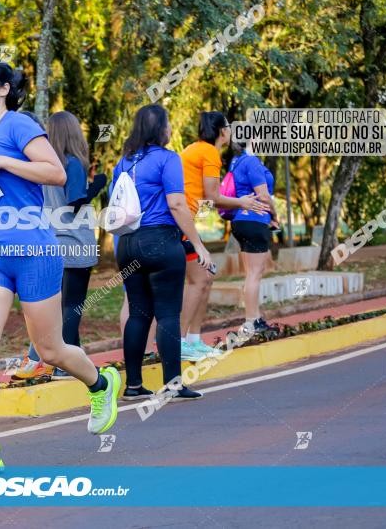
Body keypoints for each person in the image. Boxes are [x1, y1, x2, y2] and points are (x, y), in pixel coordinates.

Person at [0, 60, 120, 471]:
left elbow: (55, 174)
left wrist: (3, 162)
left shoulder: (20, 125)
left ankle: (100, 382)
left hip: (34, 251)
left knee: (49, 348)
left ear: (4, 88)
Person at [112, 104, 213, 401]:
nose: (170, 130)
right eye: (168, 125)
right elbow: (177, 204)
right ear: (161, 130)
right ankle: (172, 383)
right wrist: (197, 243)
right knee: (168, 313)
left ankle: (132, 385)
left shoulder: (123, 162)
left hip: (128, 244)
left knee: (138, 313)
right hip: (160, 240)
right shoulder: (168, 159)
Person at [14, 111, 107, 380]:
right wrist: (97, 186)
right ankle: (61, 366)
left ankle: (57, 360)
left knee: (55, 308)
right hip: (75, 243)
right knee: (72, 307)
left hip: (48, 243)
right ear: (73, 133)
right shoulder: (72, 163)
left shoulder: (39, 166)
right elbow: (75, 202)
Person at [178, 112, 268, 359]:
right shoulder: (209, 153)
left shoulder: (197, 149)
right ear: (222, 131)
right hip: (179, 225)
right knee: (199, 279)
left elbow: (206, 197)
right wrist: (242, 202)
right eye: (228, 126)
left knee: (206, 276)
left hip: (186, 223)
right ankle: (179, 341)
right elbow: (214, 195)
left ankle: (193, 340)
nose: (231, 130)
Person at [227, 139, 277, 335]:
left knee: (252, 273)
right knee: (255, 273)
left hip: (241, 220)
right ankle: (250, 322)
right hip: (255, 220)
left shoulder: (237, 161)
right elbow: (263, 196)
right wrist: (275, 215)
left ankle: (254, 317)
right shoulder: (252, 161)